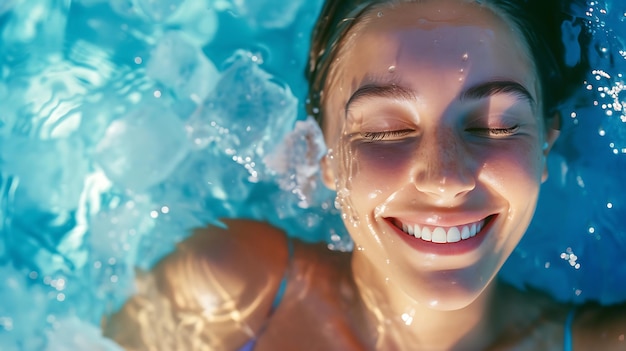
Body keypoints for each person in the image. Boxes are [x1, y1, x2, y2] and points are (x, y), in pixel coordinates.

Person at [103, 0, 626, 349]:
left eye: (495, 125)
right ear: (323, 152)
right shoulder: (229, 290)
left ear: (545, 143)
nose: (445, 177)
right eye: (384, 131)